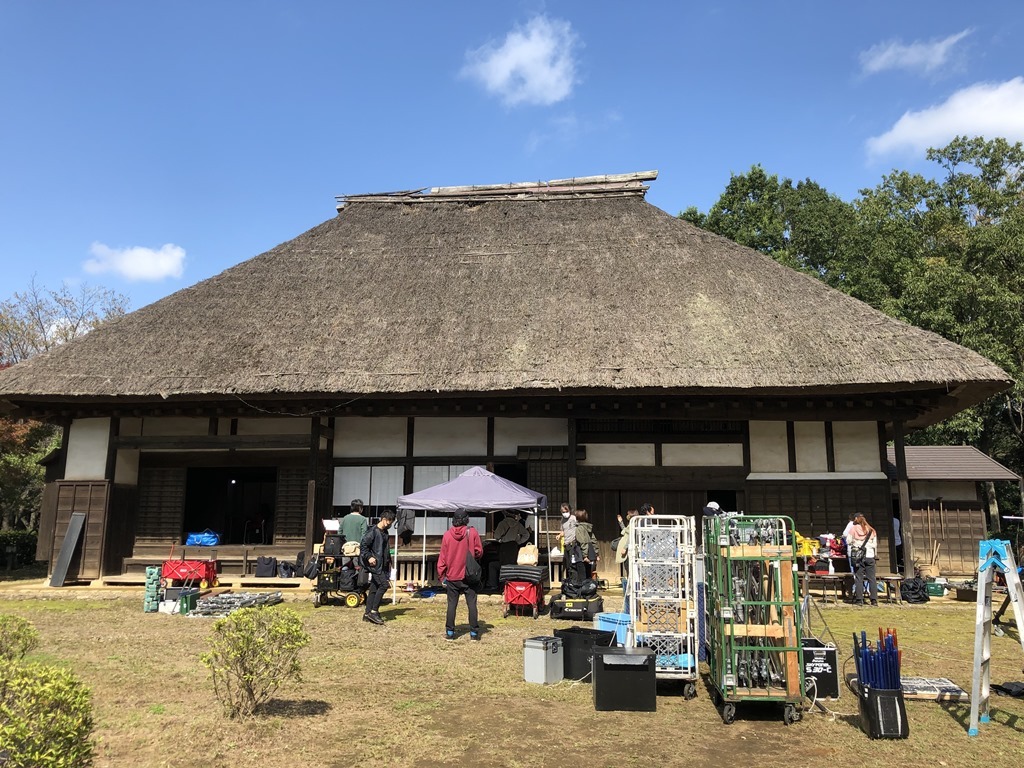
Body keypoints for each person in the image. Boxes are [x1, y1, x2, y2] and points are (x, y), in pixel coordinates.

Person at [436, 508, 484, 641]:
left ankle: (450, 633)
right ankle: (474, 633)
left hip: (452, 576)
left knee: (452, 605)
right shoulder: (472, 532)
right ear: (466, 519)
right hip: (469, 575)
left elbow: (443, 557)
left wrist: (442, 575)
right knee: (472, 604)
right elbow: (479, 551)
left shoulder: (447, 535)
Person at [359, 508, 396, 625]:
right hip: (375, 565)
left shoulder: (385, 532)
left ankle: (367, 613)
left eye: (392, 521)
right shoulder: (373, 532)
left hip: (383, 564)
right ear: (384, 519)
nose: (390, 524)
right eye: (389, 521)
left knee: (374, 588)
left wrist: (389, 561)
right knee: (384, 585)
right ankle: (373, 612)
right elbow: (363, 546)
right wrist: (369, 557)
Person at [849, 514, 878, 606]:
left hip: (859, 557)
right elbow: (874, 545)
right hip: (870, 555)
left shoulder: (853, 529)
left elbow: (848, 541)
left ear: (856, 519)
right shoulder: (871, 530)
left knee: (858, 578)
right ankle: (874, 600)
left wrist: (856, 543)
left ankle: (859, 600)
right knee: (872, 578)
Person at [574, 508, 597, 581]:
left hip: (582, 554)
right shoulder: (588, 527)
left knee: (582, 577)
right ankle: (589, 590)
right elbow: (594, 540)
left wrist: (584, 556)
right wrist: (596, 553)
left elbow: (583, 542)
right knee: (588, 576)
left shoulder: (579, 528)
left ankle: (583, 591)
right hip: (590, 553)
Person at [559, 502, 578, 583]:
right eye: (563, 512)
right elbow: (563, 531)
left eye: (566, 511)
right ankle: (570, 581)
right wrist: (559, 535)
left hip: (573, 543)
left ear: (569, 510)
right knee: (568, 564)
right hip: (566, 544)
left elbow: (579, 529)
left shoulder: (573, 518)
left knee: (573, 563)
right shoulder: (562, 520)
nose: (565, 513)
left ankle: (575, 581)